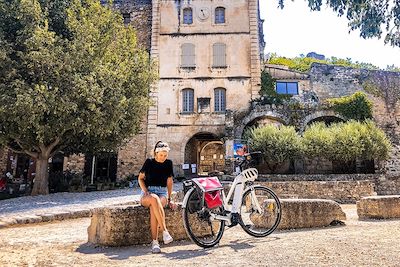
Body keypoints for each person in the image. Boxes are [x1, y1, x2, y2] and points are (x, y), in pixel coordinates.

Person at [138, 141, 176, 253]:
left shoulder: (169, 164)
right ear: (156, 153)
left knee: (155, 206)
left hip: (162, 192)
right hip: (148, 192)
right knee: (154, 199)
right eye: (161, 155)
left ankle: (155, 243)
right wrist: (145, 191)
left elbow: (169, 182)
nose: (163, 157)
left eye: (165, 155)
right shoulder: (149, 162)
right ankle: (164, 231)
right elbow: (140, 178)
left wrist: (170, 199)